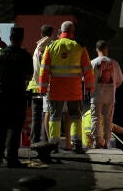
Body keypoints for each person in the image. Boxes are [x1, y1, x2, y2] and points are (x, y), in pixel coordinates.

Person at [39, 21, 95, 154]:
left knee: (55, 116)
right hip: (74, 89)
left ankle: (53, 144)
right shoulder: (79, 46)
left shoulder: (51, 46)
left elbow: (44, 70)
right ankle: (76, 144)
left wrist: (42, 89)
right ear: (72, 32)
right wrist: (90, 87)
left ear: (61, 31)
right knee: (75, 116)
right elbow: (88, 70)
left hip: (56, 89)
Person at [0, 26, 33, 167]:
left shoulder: (0, 54)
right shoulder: (25, 55)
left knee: (1, 126)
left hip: (2, 93)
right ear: (21, 39)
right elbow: (29, 75)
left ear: (10, 38)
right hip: (18, 94)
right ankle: (11, 158)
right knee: (15, 127)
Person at [90, 39, 123, 149]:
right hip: (110, 97)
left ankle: (96, 142)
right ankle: (106, 142)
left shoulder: (93, 63)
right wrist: (112, 87)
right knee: (108, 119)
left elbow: (86, 80)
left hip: (96, 96)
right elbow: (119, 80)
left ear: (97, 49)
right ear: (106, 49)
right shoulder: (114, 63)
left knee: (95, 118)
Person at [27, 24, 54, 144]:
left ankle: (34, 141)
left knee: (36, 117)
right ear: (52, 34)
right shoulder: (50, 46)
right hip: (45, 86)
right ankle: (46, 141)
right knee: (47, 114)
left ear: (41, 34)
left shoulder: (37, 47)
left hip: (34, 86)